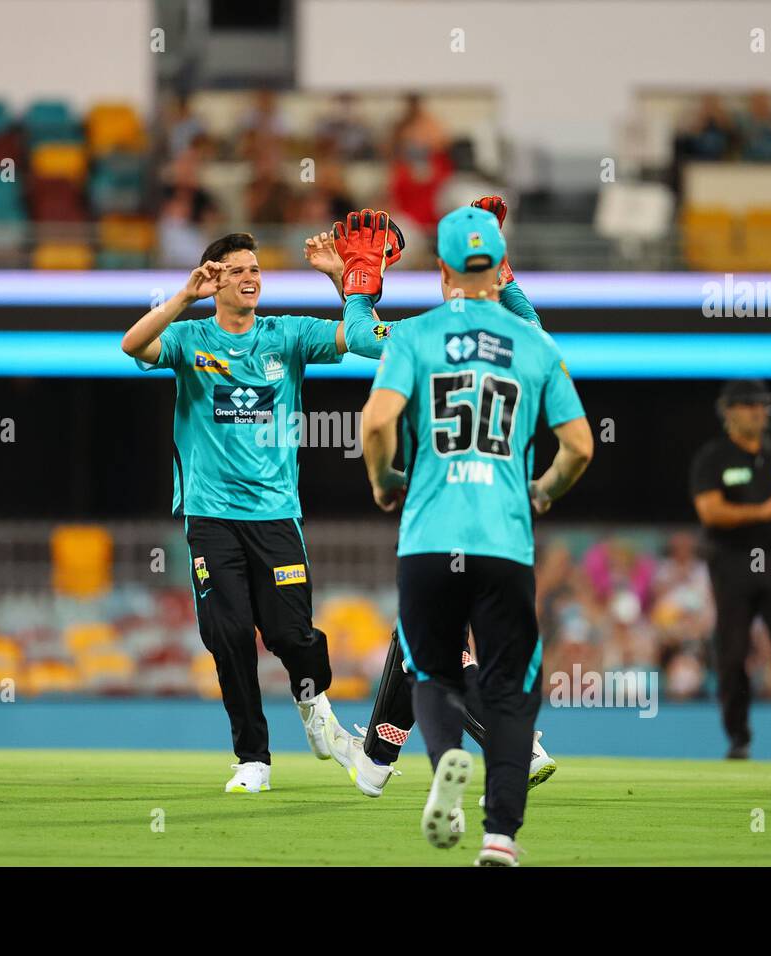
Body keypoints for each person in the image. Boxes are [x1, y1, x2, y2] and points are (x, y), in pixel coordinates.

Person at [355, 205, 593, 866]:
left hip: (429, 540)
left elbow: (375, 424)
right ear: (501, 266)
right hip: (504, 541)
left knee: (429, 672)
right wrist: (542, 490)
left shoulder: (415, 336)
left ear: (442, 267)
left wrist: (383, 480)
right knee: (511, 693)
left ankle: (442, 763)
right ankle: (500, 837)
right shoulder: (534, 342)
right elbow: (578, 447)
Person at [305, 198, 558, 802]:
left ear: (442, 276)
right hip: (502, 518)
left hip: (436, 513)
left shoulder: (420, 337)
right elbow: (538, 333)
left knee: (434, 646)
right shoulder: (520, 343)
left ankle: (514, 744)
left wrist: (359, 283)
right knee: (422, 637)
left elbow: (365, 338)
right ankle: (376, 759)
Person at [121, 233, 359, 793]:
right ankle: (253, 758)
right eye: (237, 270)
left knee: (290, 633)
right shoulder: (189, 337)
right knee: (227, 634)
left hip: (276, 514)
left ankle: (311, 700)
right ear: (216, 279)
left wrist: (337, 277)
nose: (251, 277)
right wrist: (184, 296)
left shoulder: (288, 334)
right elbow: (133, 345)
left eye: (256, 269)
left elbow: (358, 337)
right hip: (209, 513)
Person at [689, 380, 771, 759]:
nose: (758, 412)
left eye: (762, 405)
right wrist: (763, 511)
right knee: (731, 653)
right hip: (732, 564)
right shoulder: (713, 457)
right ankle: (739, 737)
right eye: (749, 406)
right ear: (729, 412)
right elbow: (709, 510)